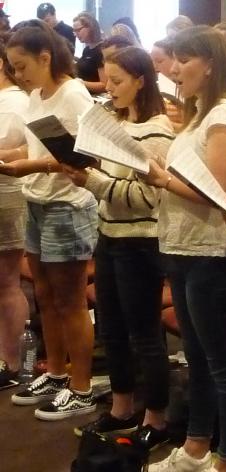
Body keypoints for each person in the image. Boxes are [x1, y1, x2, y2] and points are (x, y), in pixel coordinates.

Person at [142, 25, 226, 472]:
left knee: (224, 363)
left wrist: (162, 179)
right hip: (187, 246)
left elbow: (219, 191)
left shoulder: (225, 115)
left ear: (210, 64)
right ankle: (195, 449)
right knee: (198, 358)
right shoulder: (199, 114)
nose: (174, 70)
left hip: (214, 250)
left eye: (184, 60)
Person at [62, 46, 174, 450]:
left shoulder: (158, 128)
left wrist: (92, 182)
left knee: (144, 333)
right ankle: (122, 407)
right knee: (110, 328)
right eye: (106, 80)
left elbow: (148, 198)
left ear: (141, 81)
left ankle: (156, 419)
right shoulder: (113, 120)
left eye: (117, 81)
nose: (108, 89)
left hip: (140, 242)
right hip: (109, 235)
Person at [0, 19, 98, 421]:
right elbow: (30, 144)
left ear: (46, 56)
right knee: (44, 295)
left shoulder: (74, 94)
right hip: (37, 202)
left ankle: (82, 387)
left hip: (68, 205)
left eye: (22, 66)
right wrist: (11, 160)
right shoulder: (38, 94)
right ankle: (56, 373)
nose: (17, 76)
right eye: (12, 68)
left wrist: (28, 166)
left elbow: (84, 158)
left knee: (70, 301)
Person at [0, 32, 30, 390]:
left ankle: (11, 360)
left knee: (7, 281)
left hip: (9, 193)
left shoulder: (16, 101)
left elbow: (29, 148)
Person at [73, 12, 105, 94]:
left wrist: (81, 83)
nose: (76, 34)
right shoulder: (87, 49)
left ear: (90, 27)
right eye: (74, 31)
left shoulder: (101, 51)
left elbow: (104, 85)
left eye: (78, 30)